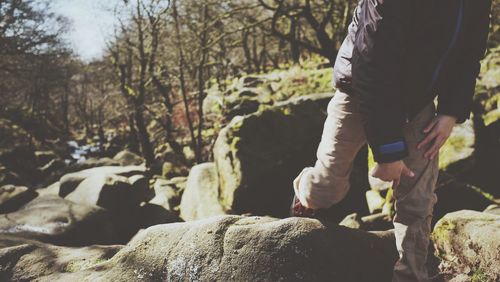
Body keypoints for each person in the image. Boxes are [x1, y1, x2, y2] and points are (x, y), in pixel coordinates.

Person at [289, 0, 492, 281]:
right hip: (359, 93)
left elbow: (469, 53)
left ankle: (411, 274)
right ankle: (306, 191)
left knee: (418, 201)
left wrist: (450, 111)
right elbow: (373, 65)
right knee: (328, 188)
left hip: (418, 104)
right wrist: (388, 152)